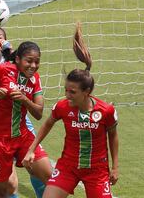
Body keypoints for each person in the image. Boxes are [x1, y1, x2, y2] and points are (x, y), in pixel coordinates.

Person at [22, 23, 119, 198]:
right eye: (66, 90)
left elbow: (113, 136)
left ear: (86, 92)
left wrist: (115, 167)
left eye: (72, 92)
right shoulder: (62, 107)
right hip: (68, 167)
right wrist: (31, 149)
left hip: (96, 171)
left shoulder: (105, 110)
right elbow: (47, 124)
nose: (67, 95)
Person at [0, 41, 52, 198]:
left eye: (37, 61)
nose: (33, 65)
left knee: (51, 177)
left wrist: (25, 100)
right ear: (17, 59)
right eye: (29, 61)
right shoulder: (1, 70)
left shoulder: (35, 78)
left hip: (23, 136)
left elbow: (38, 113)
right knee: (0, 192)